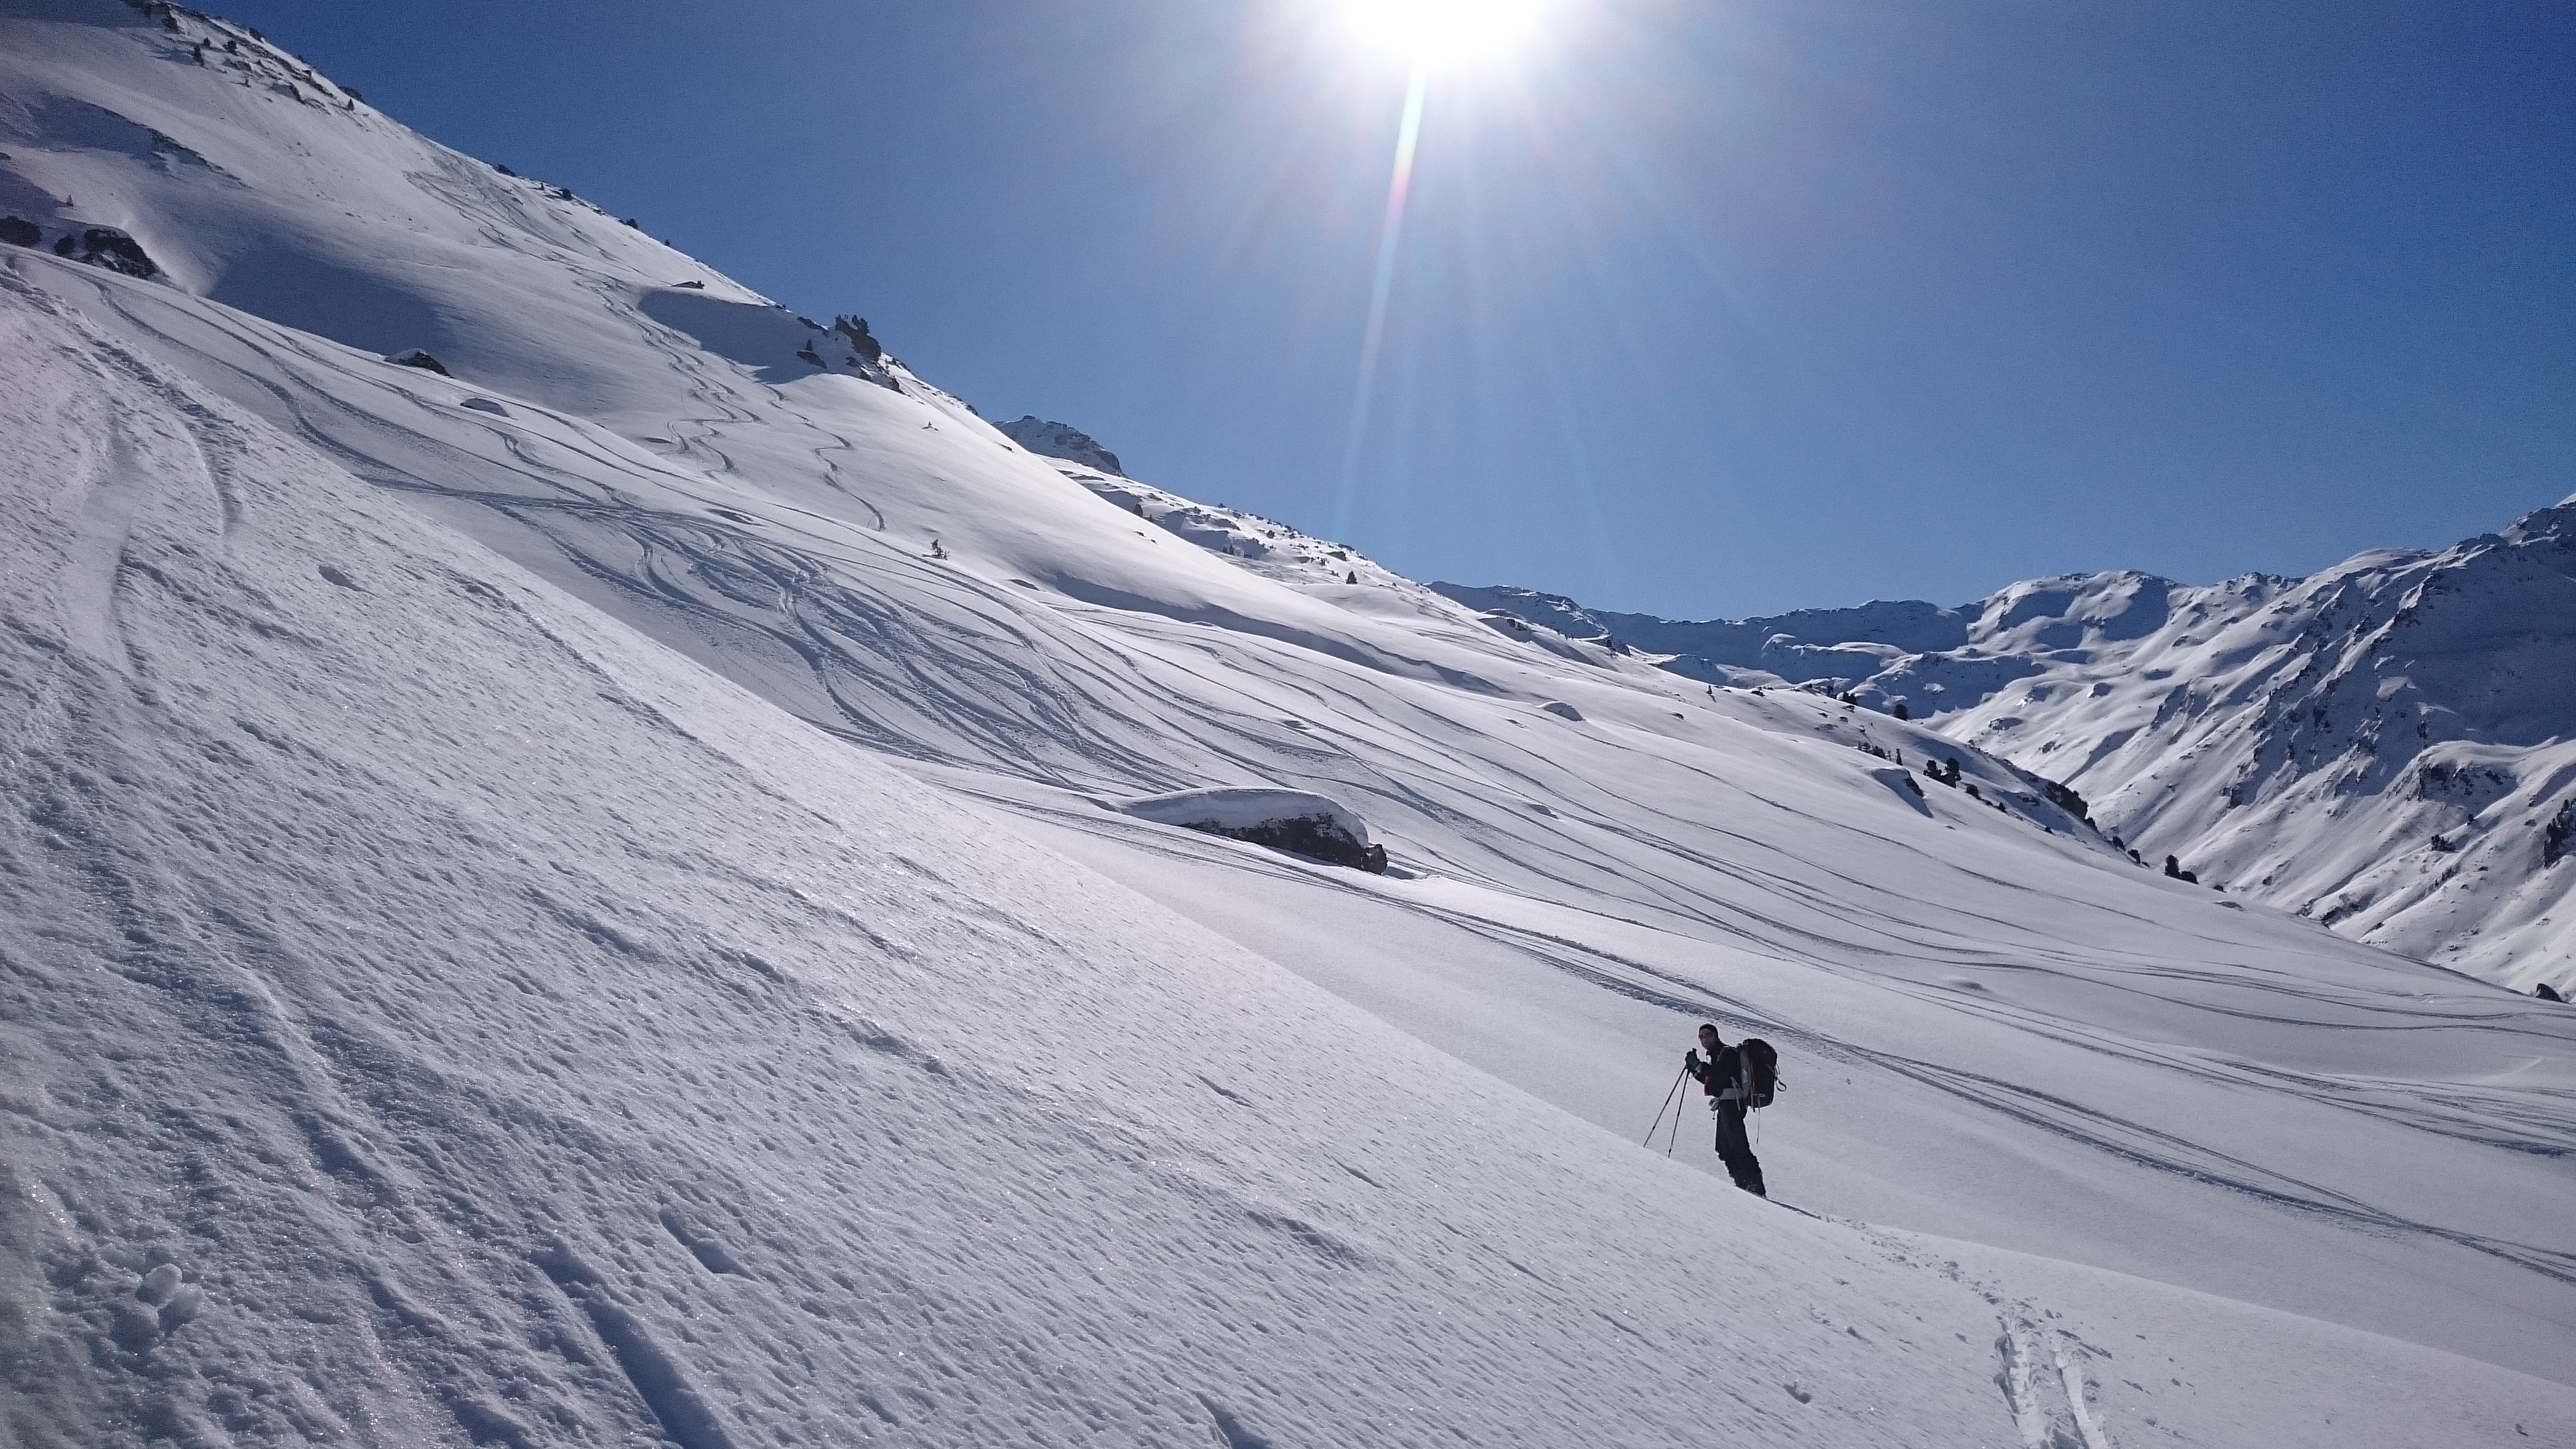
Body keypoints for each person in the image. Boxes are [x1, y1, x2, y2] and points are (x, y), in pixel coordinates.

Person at [1685, 1022, 1767, 1197]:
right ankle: (1743, 1183)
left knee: (1738, 1145)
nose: (1703, 1040)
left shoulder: (1728, 1053)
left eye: (1707, 1035)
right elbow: (1715, 1082)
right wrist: (1696, 1070)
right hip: (1726, 1104)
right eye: (1701, 1037)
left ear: (1715, 1036)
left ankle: (1754, 1185)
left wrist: (1699, 1065)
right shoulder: (1717, 1055)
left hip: (1733, 1105)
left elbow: (1719, 1074)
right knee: (1724, 1148)